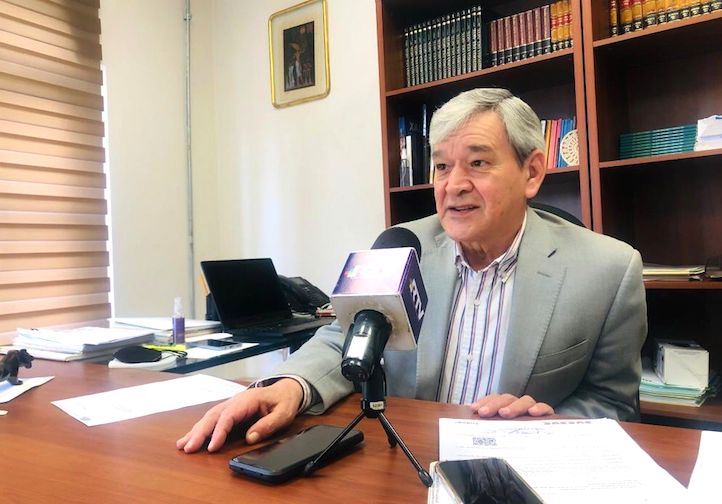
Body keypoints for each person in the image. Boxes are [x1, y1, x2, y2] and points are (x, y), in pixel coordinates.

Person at [177, 88, 646, 454]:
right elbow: (345, 338)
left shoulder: (607, 269)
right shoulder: (403, 246)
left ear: (532, 172)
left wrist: (546, 428)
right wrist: (289, 386)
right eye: (441, 166)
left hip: (519, 473)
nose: (454, 185)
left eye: (478, 163)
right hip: (403, 458)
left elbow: (613, 403)